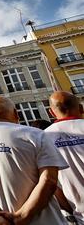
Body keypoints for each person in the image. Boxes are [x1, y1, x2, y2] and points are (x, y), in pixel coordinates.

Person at [0, 96, 68, 225]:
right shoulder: (37, 135)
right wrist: (23, 216)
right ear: (16, 113)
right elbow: (49, 180)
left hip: (3, 222)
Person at [45, 91, 84, 224]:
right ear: (81, 108)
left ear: (51, 112)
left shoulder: (43, 138)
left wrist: (71, 211)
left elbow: (50, 182)